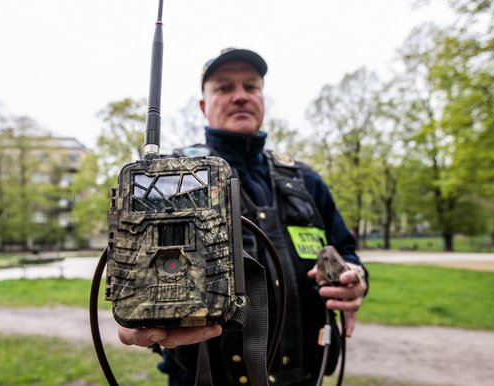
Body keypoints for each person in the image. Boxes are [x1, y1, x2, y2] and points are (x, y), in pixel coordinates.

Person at [117, 48, 369, 386]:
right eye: (224, 88)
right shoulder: (168, 179)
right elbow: (138, 264)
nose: (240, 96)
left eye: (251, 87)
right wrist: (136, 306)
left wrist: (356, 278)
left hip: (306, 376)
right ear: (204, 106)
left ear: (262, 98)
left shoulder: (305, 179)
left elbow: (346, 251)